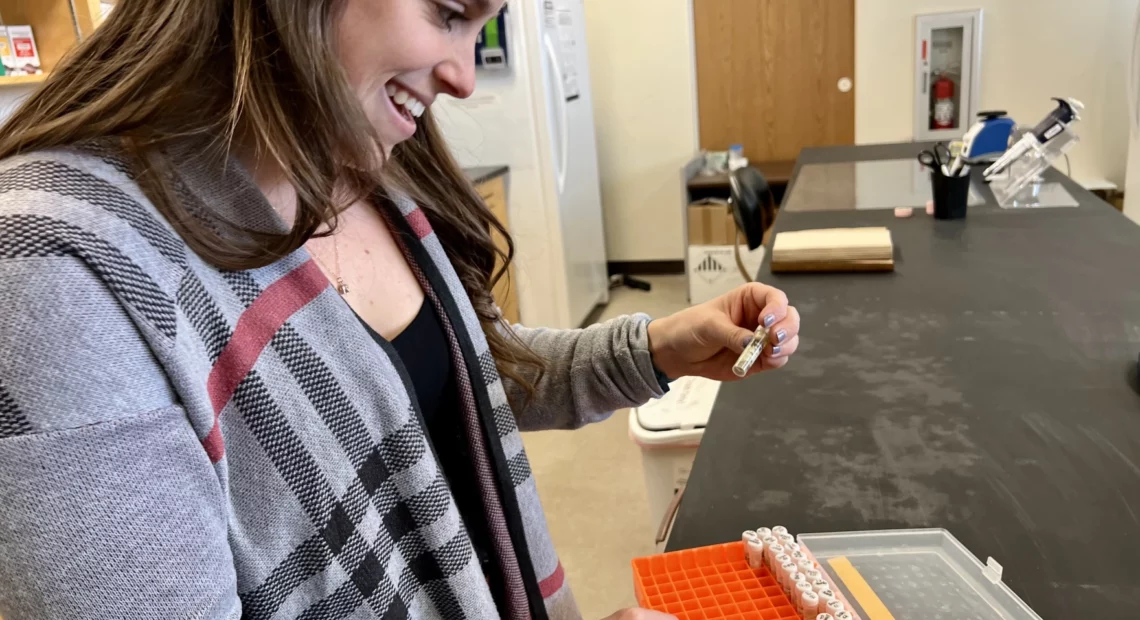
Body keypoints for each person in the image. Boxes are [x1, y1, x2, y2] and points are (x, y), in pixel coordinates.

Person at [0, 0, 800, 618]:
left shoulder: (362, 162)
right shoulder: (61, 274)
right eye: (448, 14)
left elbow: (450, 387)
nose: (462, 74)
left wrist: (654, 349)